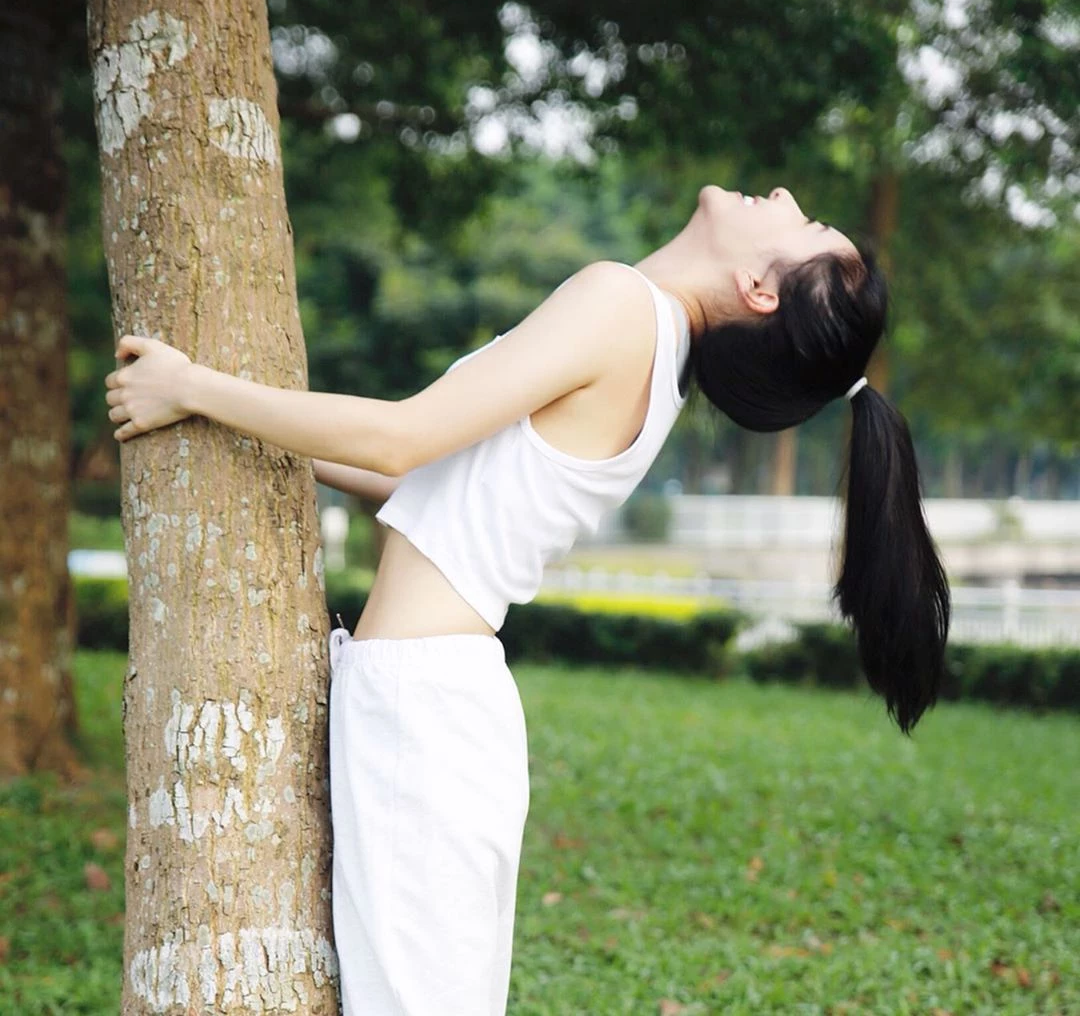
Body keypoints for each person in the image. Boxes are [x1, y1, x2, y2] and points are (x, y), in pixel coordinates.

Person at [104, 184, 950, 1015]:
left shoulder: (622, 307)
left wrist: (194, 389)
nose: (781, 192)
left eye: (801, 222)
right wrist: (232, 422)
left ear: (760, 290)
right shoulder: (653, 360)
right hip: (432, 704)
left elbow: (403, 439)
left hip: (425, 713)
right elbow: (415, 477)